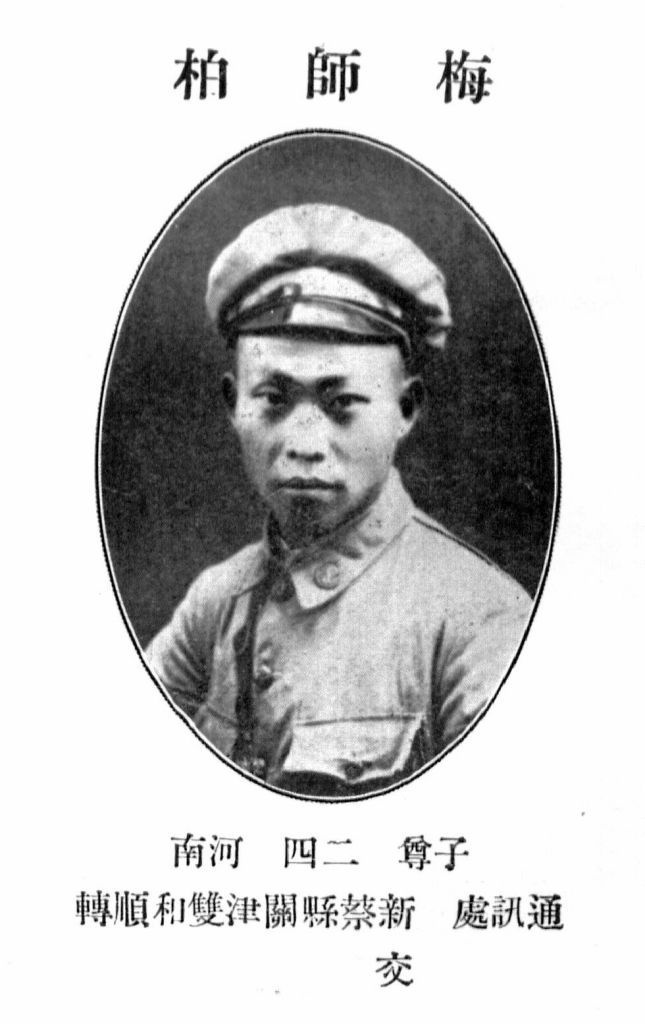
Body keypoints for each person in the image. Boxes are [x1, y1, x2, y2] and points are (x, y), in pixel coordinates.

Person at [146, 203, 533, 797]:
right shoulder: (216, 601)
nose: (304, 444)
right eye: (273, 400)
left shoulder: (481, 620)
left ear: (406, 409)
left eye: (341, 404)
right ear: (232, 404)